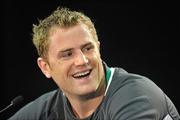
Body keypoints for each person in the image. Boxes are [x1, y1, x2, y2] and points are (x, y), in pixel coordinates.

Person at [9, 7, 179, 120]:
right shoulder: (47, 108)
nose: (82, 61)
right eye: (67, 54)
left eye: (88, 49)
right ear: (45, 67)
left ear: (98, 49)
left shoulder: (137, 96)